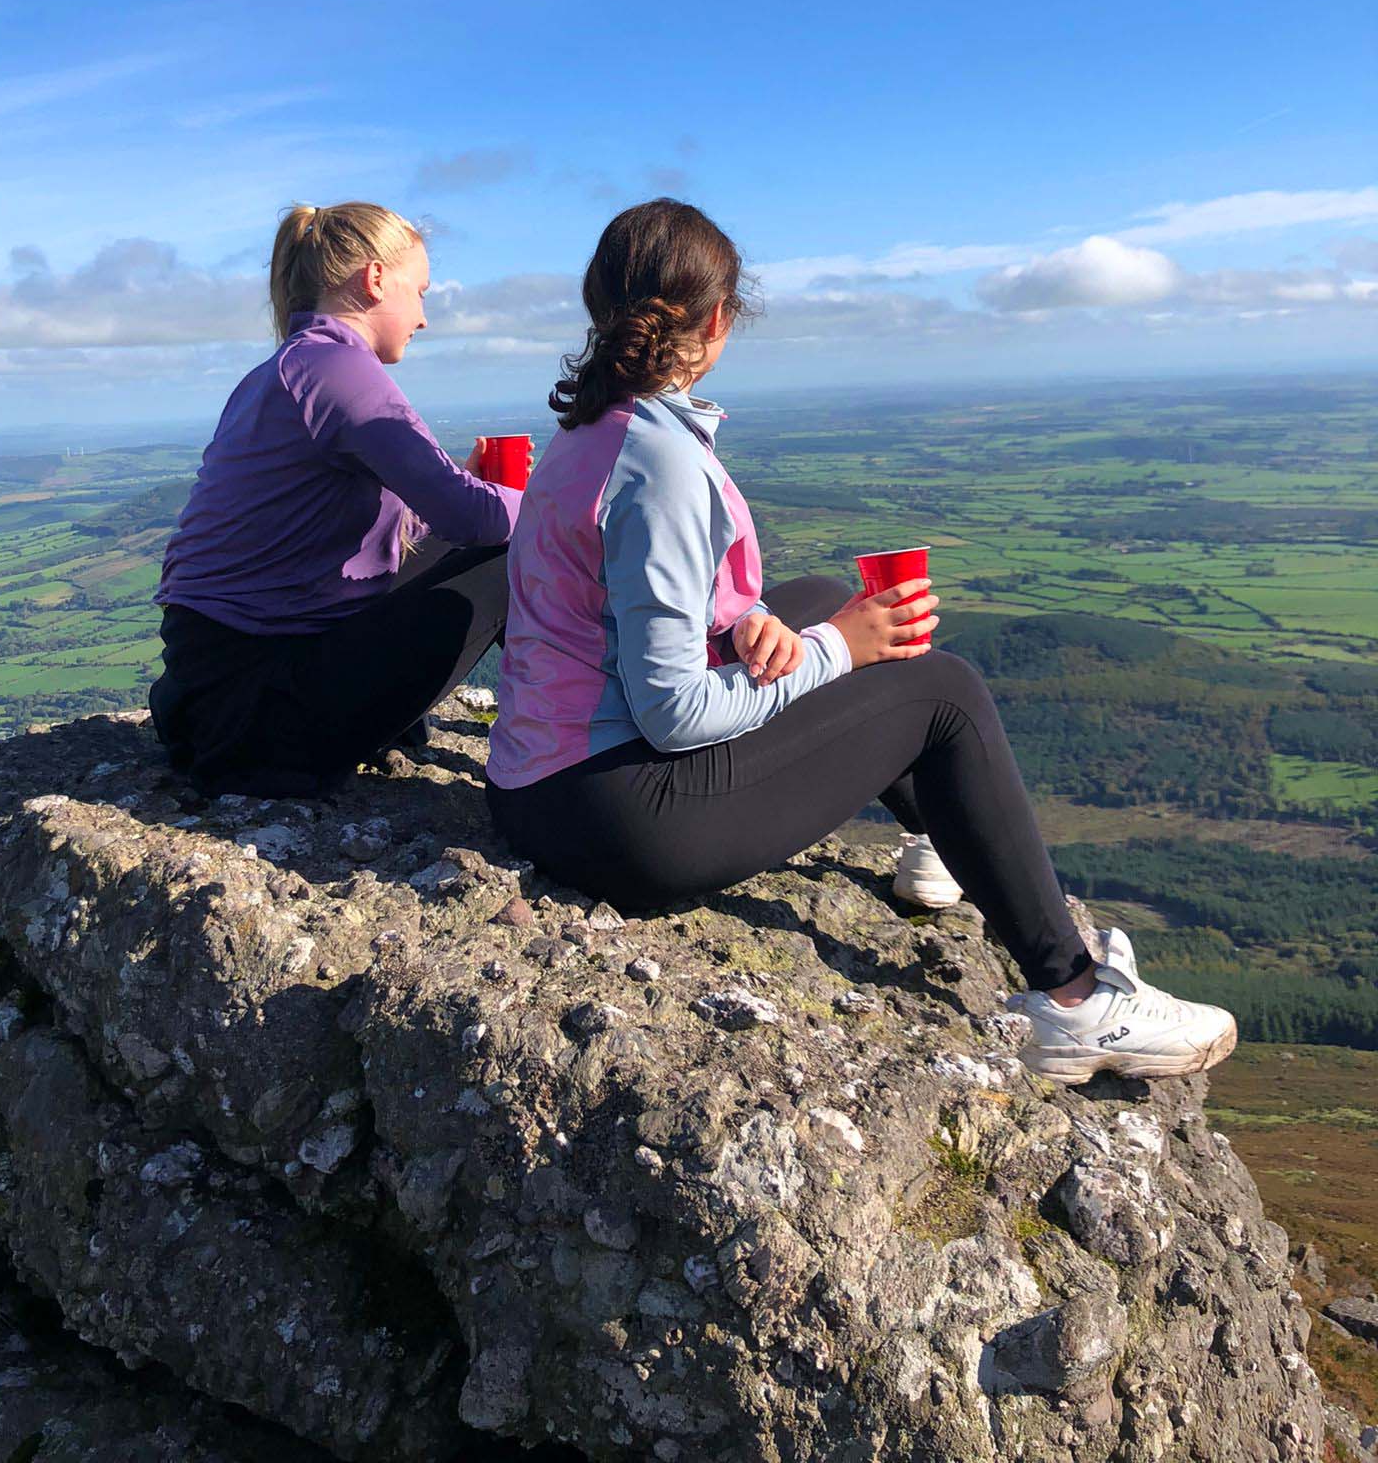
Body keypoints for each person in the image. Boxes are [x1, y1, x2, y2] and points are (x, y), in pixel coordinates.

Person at [486, 198, 1237, 1086]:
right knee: (941, 691)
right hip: (616, 818)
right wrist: (838, 651)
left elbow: (614, 612)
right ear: (719, 318)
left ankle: (946, 844)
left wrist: (755, 625)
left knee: (808, 600)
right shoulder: (663, 464)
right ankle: (1074, 1001)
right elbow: (675, 712)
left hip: (539, 783)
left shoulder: (590, 431)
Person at [150, 200, 525, 796]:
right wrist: (556, 504)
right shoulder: (338, 371)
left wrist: (462, 485)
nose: (424, 318)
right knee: (517, 554)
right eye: (421, 292)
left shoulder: (289, 368)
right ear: (376, 279)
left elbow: (396, 531)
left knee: (488, 540)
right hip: (257, 714)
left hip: (210, 696)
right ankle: (566, 749)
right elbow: (472, 517)